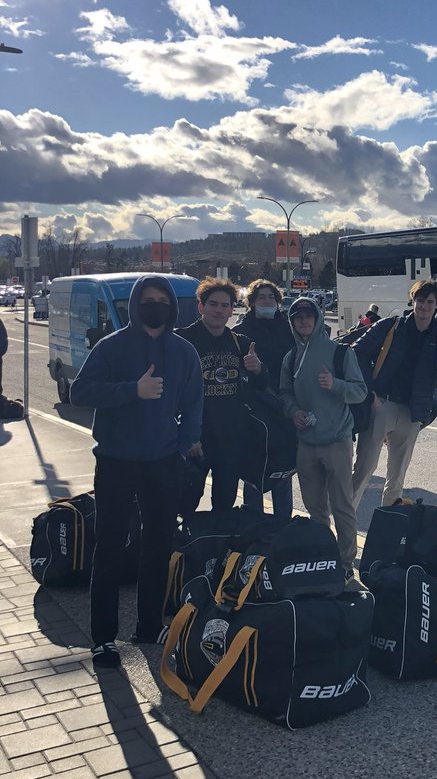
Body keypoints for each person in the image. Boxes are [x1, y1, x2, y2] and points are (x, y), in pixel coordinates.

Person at [70, 275, 203, 669]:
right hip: (116, 461)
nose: (155, 305)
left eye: (162, 300)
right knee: (110, 546)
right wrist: (132, 390)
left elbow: (195, 404)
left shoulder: (183, 351)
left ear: (172, 306)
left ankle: (148, 625)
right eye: (148, 299)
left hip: (163, 463)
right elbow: (80, 392)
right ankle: (103, 638)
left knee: (158, 546)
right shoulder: (112, 347)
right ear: (135, 304)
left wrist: (183, 443)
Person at [352, 279, 437, 508]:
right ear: (412, 301)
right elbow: (356, 353)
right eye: (420, 300)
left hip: (412, 411)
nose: (424, 306)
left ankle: (390, 528)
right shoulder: (390, 326)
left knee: (397, 478)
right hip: (382, 403)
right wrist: (369, 392)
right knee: (364, 468)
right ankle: (344, 529)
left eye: (430, 302)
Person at [279, 297, 368, 586]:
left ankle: (345, 565)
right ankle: (323, 559)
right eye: (297, 317)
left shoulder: (341, 353)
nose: (303, 321)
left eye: (308, 316)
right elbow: (285, 394)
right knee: (315, 509)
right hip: (306, 443)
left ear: (318, 319)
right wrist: (293, 412)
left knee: (342, 506)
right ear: (292, 322)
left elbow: (360, 392)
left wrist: (336, 385)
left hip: (337, 441)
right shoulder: (290, 357)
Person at [177, 278, 268, 513]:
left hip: (231, 439)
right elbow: (171, 394)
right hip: (196, 439)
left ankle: (215, 547)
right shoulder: (183, 341)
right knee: (185, 500)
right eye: (213, 304)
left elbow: (263, 385)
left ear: (231, 310)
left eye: (225, 305)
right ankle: (179, 547)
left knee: (224, 503)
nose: (219, 310)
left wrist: (257, 369)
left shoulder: (240, 344)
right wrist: (187, 435)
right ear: (201, 307)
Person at [234, 279, 296, 524]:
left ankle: (283, 525)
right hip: (255, 406)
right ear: (251, 302)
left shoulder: (288, 327)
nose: (267, 301)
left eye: (271, 297)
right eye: (262, 297)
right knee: (254, 467)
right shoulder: (242, 329)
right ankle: (254, 524)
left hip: (284, 403)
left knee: (283, 468)